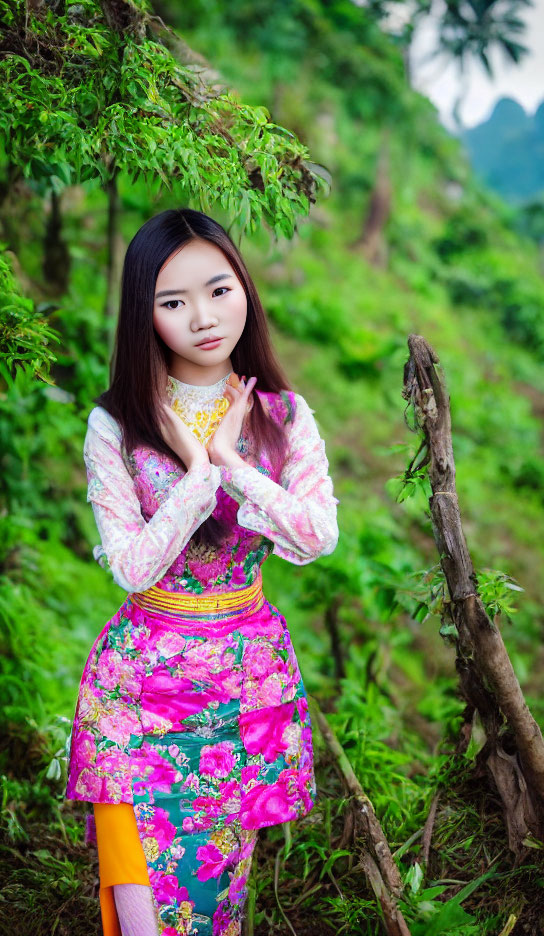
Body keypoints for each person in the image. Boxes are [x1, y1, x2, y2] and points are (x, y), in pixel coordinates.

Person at [65, 208, 340, 936]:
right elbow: (129, 568)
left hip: (241, 685)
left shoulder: (284, 415)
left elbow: (317, 537)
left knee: (214, 901)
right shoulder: (116, 425)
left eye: (218, 290)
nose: (203, 317)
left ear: (244, 289)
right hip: (137, 689)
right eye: (173, 300)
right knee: (142, 908)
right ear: (144, 314)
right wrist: (194, 476)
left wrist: (233, 465)